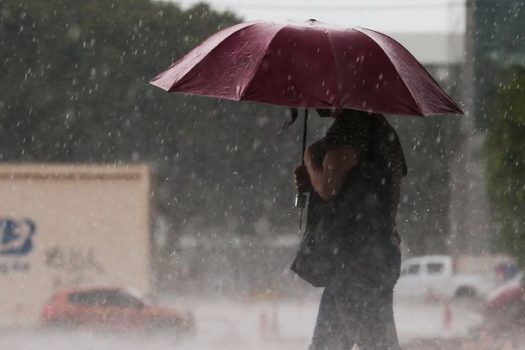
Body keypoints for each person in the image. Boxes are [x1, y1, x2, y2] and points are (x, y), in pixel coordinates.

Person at [292, 108, 407, 350]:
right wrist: (312, 179)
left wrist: (311, 159)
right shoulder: (380, 129)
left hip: (355, 261)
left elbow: (328, 186)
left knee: (374, 345)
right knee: (327, 345)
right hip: (373, 256)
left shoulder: (353, 124)